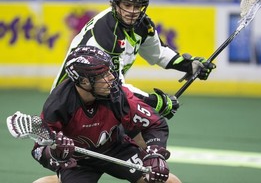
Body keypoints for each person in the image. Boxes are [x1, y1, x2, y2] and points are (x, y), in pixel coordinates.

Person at [52, 0, 216, 120]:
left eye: (138, 6)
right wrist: (155, 102)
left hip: (101, 98)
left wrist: (189, 65)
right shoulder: (105, 32)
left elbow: (158, 54)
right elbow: (114, 87)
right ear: (116, 3)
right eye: (127, 5)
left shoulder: (142, 25)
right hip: (71, 105)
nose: (132, 11)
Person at [31, 45, 182, 183]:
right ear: (84, 82)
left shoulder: (116, 94)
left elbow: (155, 123)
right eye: (102, 75)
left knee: (168, 181)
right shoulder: (58, 105)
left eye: (109, 71)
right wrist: (57, 153)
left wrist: (155, 153)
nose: (111, 77)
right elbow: (39, 150)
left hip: (116, 148)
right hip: (78, 161)